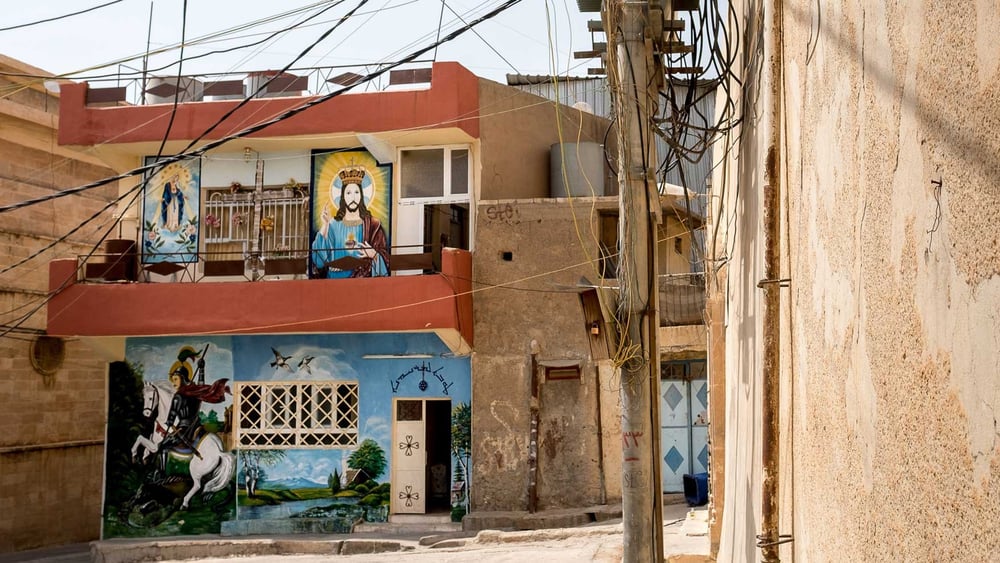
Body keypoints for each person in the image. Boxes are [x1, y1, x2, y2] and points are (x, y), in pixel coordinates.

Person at [157, 348, 229, 475]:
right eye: (173, 379)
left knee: (162, 446)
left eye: (175, 379)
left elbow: (172, 415)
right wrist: (201, 369)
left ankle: (162, 474)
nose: (173, 383)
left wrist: (169, 422)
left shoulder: (178, 396)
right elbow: (201, 386)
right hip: (196, 426)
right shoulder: (194, 392)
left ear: (183, 378)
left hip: (183, 429)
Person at [311, 166, 390, 278]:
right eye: (348, 193)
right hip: (335, 282)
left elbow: (384, 259)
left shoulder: (373, 226)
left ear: (361, 196)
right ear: (342, 197)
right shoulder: (332, 224)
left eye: (356, 192)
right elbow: (319, 261)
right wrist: (325, 225)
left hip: (362, 284)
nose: (353, 197)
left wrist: (374, 255)